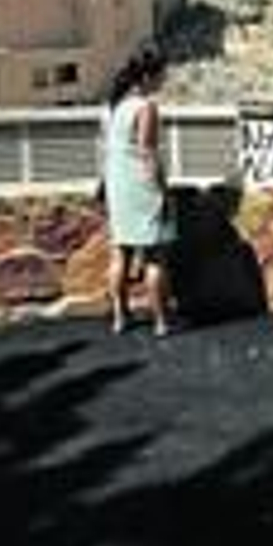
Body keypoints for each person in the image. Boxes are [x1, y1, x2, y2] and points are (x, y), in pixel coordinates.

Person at [103, 43, 176, 337]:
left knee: (120, 253)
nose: (164, 80)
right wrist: (162, 191)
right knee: (155, 256)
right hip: (140, 186)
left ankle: (120, 317)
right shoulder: (146, 107)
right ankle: (160, 321)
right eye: (161, 74)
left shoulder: (116, 105)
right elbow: (148, 152)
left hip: (117, 182)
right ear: (147, 76)